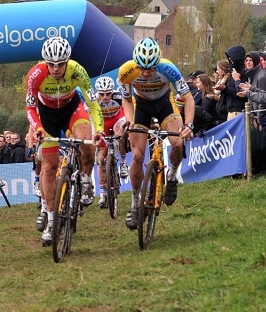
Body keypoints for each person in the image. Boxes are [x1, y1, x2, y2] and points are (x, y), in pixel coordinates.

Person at [25, 36, 103, 245]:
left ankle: (86, 181)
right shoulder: (35, 74)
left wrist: (100, 131)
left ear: (67, 61)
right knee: (49, 168)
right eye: (51, 64)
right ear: (45, 62)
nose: (56, 68)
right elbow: (30, 108)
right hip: (47, 114)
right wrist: (38, 128)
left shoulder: (77, 71)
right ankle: (51, 220)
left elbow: (94, 104)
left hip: (72, 109)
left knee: (85, 139)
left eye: (61, 64)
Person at [117, 37, 194, 230]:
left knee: (177, 143)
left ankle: (172, 176)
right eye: (141, 68)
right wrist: (129, 120)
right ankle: (135, 204)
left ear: (157, 62)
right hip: (140, 105)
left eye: (150, 68)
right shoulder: (126, 71)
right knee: (137, 155)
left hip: (165, 105)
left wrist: (189, 125)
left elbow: (189, 98)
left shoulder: (168, 69)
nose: (145, 73)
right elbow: (126, 100)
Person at [93, 76, 129, 209]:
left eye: (108, 93)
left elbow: (127, 110)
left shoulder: (119, 96)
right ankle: (103, 193)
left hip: (117, 120)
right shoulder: (94, 100)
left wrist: (124, 125)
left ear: (112, 91)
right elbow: (89, 117)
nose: (105, 97)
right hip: (102, 123)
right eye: (101, 94)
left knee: (120, 134)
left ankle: (124, 163)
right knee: (101, 160)